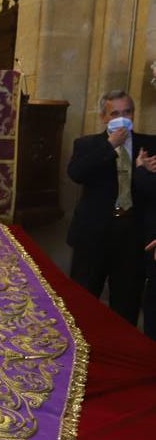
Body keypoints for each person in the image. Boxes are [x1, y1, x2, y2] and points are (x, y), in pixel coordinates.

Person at [66, 89, 156, 327]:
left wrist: (143, 172)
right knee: (83, 301)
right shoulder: (87, 144)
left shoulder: (149, 145)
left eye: (127, 111)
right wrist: (110, 146)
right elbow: (76, 173)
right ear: (104, 117)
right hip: (93, 234)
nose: (122, 117)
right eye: (115, 112)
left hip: (132, 236)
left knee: (126, 305)